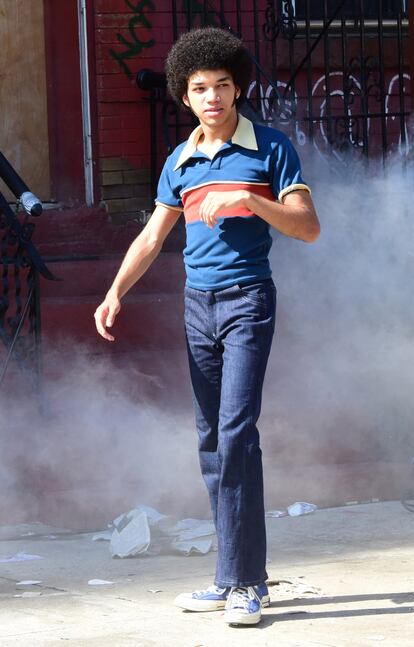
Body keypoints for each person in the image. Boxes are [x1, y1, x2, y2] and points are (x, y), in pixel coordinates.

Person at [94, 27, 320, 626]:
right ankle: (231, 578)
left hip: (249, 301)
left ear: (238, 88)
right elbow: (152, 236)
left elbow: (307, 226)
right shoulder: (181, 159)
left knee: (238, 434)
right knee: (212, 442)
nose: (213, 96)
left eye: (222, 85)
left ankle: (249, 583)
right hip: (198, 305)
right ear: (185, 96)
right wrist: (115, 291)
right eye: (200, 88)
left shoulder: (270, 148)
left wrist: (250, 201)